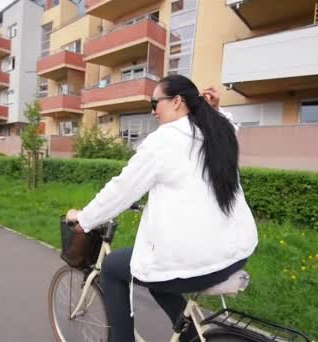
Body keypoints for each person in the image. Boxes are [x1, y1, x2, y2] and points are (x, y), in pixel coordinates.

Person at [65, 75, 258, 342]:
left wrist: (83, 218)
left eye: (155, 102)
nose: (152, 110)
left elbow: (121, 189)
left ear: (177, 102)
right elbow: (226, 127)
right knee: (154, 271)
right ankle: (190, 334)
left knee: (112, 267)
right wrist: (214, 111)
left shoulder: (165, 140)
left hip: (202, 260)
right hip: (236, 251)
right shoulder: (215, 133)